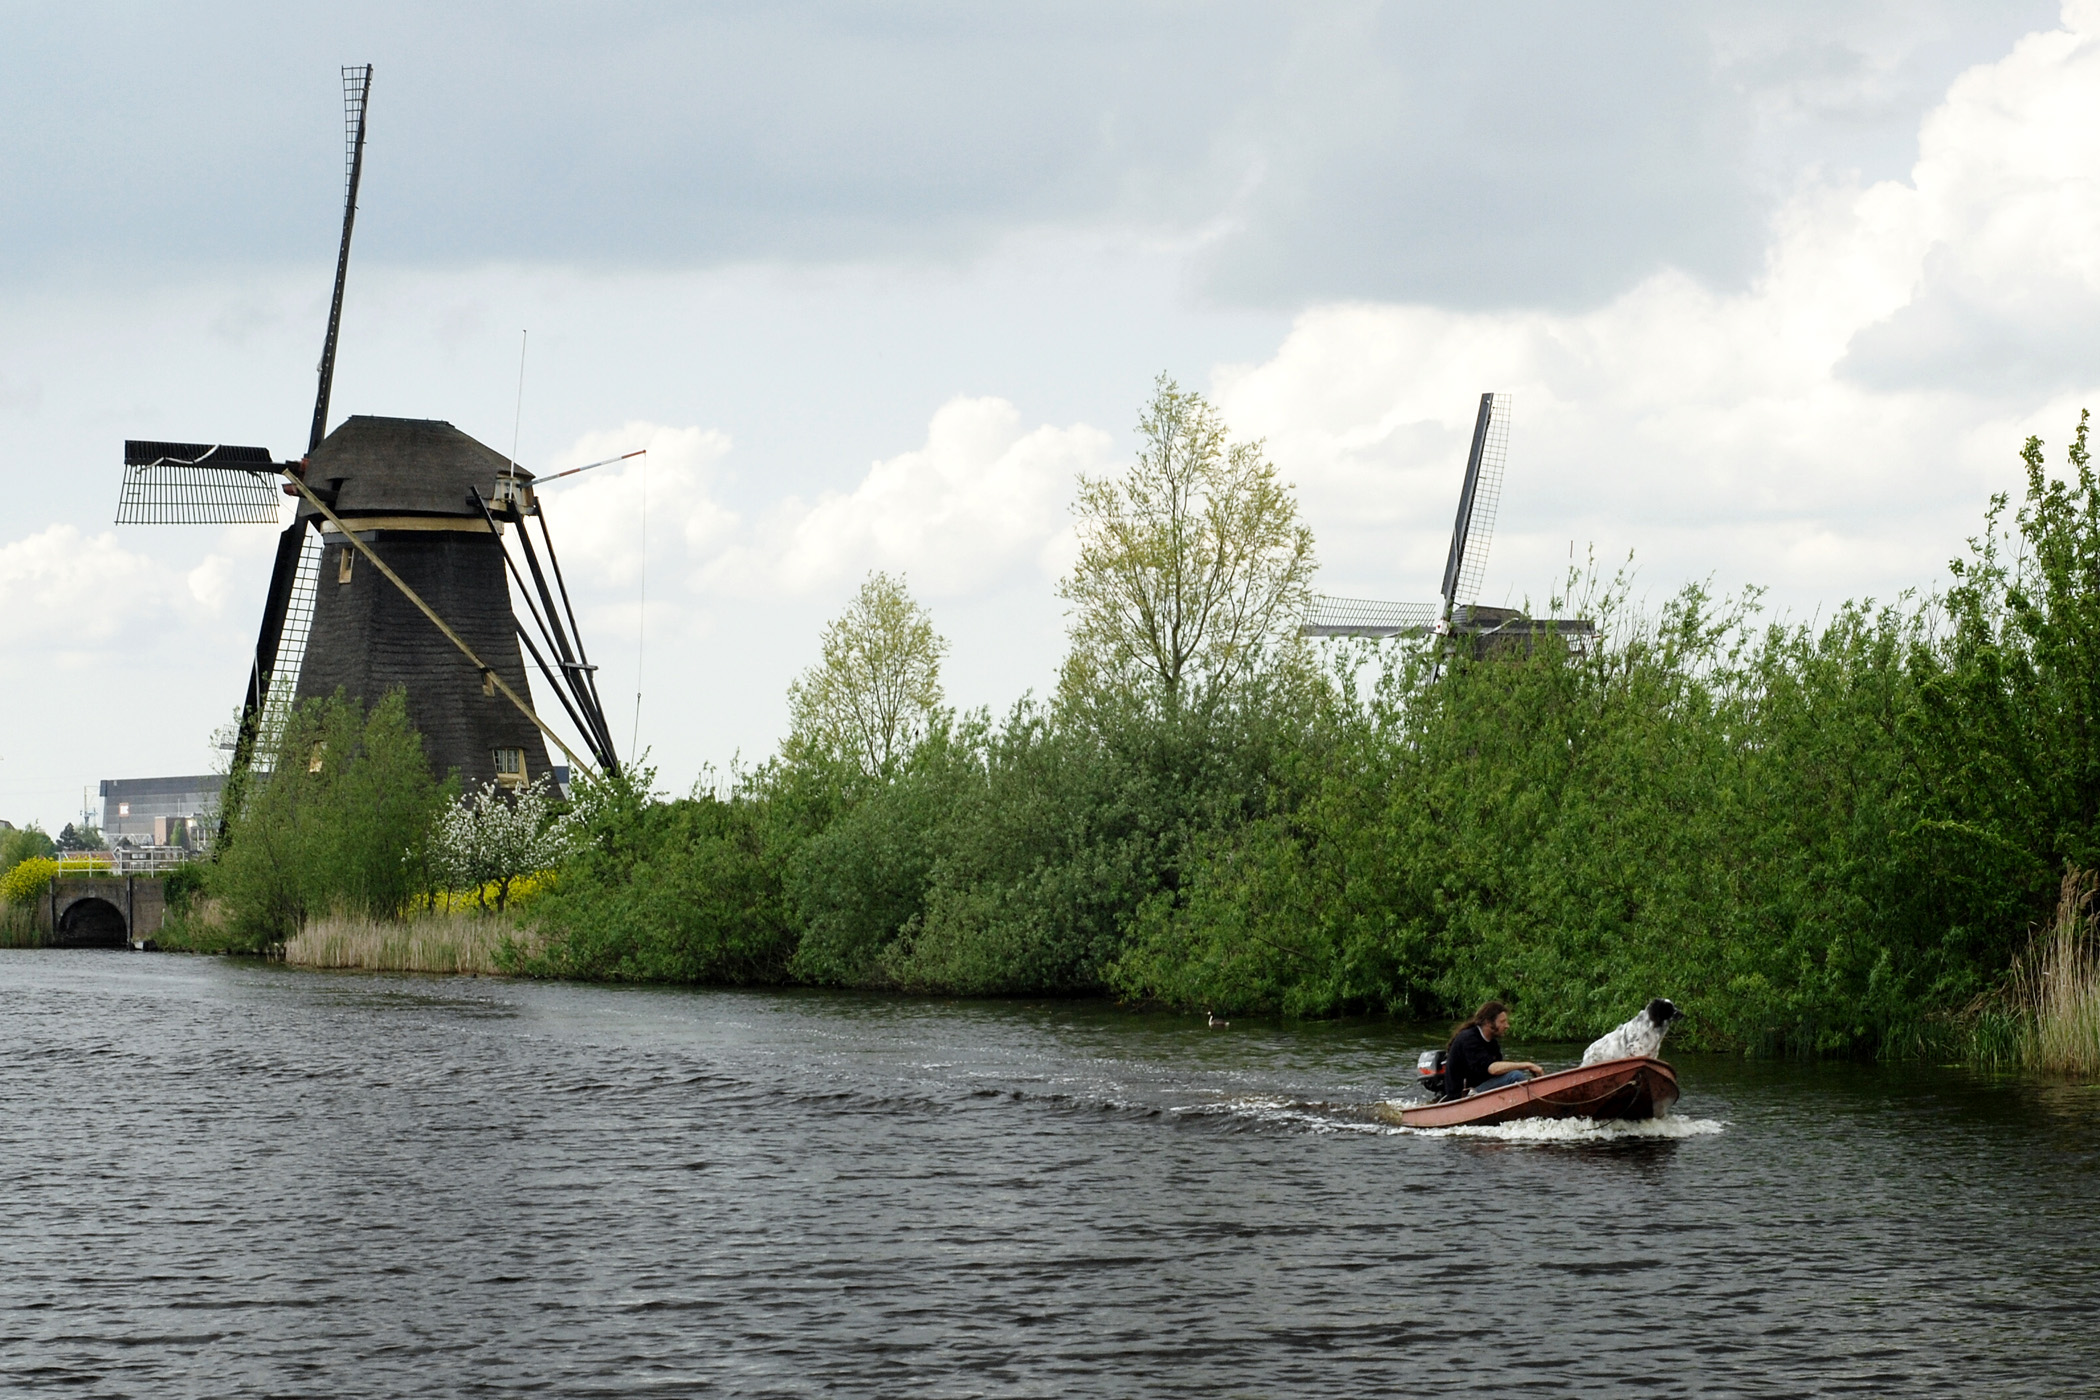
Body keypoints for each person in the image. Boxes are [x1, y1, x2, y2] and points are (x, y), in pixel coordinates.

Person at [1441, 1001, 1544, 1100]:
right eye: (1502, 1022)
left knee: (1513, 1074)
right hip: (1462, 1096)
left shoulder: (1492, 1042)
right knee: (1515, 1076)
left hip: (1479, 1087)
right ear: (1488, 1023)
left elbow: (1497, 1071)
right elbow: (1492, 1068)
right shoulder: (1468, 1039)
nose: (1507, 1026)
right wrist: (1527, 1065)